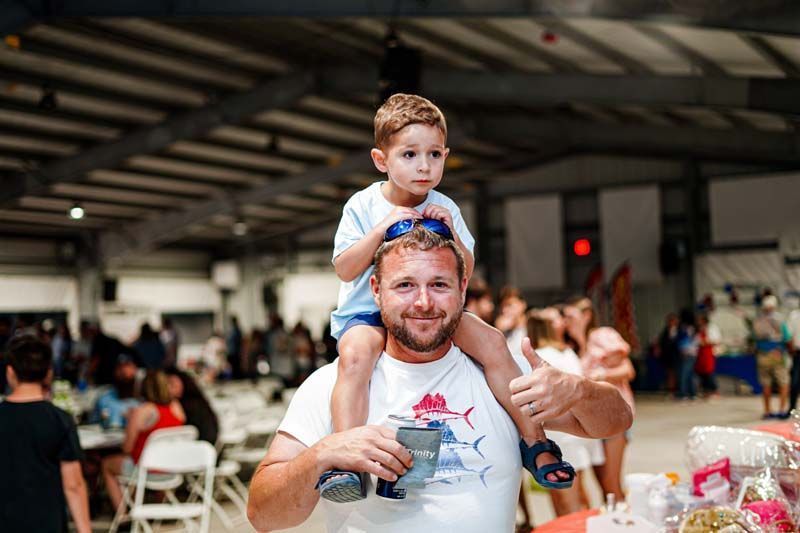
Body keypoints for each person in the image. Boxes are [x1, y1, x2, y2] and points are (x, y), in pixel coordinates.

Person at [247, 225, 632, 532]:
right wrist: (322, 455)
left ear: (462, 289)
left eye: (439, 284)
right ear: (377, 291)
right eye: (405, 285)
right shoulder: (331, 386)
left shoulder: (502, 377)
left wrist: (579, 390)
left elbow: (616, 420)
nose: (423, 302)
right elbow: (263, 515)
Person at [323, 93, 572, 502]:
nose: (423, 166)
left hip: (434, 312)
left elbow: (465, 275)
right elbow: (345, 269)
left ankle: (535, 441)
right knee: (354, 357)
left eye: (434, 154)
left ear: (446, 156)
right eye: (409, 154)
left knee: (493, 342)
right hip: (368, 313)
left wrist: (452, 235)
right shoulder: (363, 205)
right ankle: (344, 458)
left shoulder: (445, 206)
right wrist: (382, 228)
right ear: (381, 160)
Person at [0, 335, 91, 533]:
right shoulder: (60, 419)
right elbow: (74, 484)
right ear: (48, 373)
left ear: (10, 372)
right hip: (47, 523)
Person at [529, 308, 606, 516]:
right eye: (557, 319)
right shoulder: (546, 355)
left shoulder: (565, 351)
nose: (562, 322)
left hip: (571, 432)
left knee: (573, 493)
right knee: (566, 495)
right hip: (561, 435)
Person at [564, 296, 635, 502]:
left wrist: (598, 377)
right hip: (591, 422)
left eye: (570, 316)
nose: (566, 321)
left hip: (614, 417)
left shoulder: (601, 336)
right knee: (603, 487)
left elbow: (627, 370)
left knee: (612, 486)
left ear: (586, 315)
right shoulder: (573, 349)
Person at [101, 370, 185, 511]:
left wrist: (130, 420)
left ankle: (123, 514)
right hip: (172, 468)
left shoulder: (142, 411)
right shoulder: (176, 408)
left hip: (147, 470)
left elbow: (127, 448)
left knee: (107, 464)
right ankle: (158, 506)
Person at [752, 295, 792, 419]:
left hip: (762, 355)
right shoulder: (779, 319)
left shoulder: (757, 321)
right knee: (784, 382)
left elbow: (754, 338)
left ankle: (768, 411)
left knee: (766, 383)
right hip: (777, 354)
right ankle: (781, 410)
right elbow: (787, 337)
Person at [166, 368, 219, 445]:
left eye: (171, 383)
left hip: (193, 447)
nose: (168, 388)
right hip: (207, 447)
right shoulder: (199, 401)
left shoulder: (179, 405)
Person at [90, 356, 140, 428]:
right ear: (114, 371)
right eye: (120, 367)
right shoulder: (104, 398)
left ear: (135, 370)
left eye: (127, 366)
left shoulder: (142, 401)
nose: (123, 371)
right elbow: (91, 425)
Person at [695, 313, 720, 399]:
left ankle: (714, 391)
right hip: (701, 353)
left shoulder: (712, 328)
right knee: (701, 372)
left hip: (709, 352)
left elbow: (716, 340)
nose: (698, 321)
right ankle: (706, 391)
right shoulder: (699, 329)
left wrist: (705, 343)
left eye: (699, 320)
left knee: (709, 372)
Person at [657, 313, 681, 395]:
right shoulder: (665, 330)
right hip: (667, 356)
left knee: (676, 373)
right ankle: (670, 390)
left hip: (677, 356)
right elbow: (661, 342)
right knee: (669, 373)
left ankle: (676, 389)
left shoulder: (680, 330)